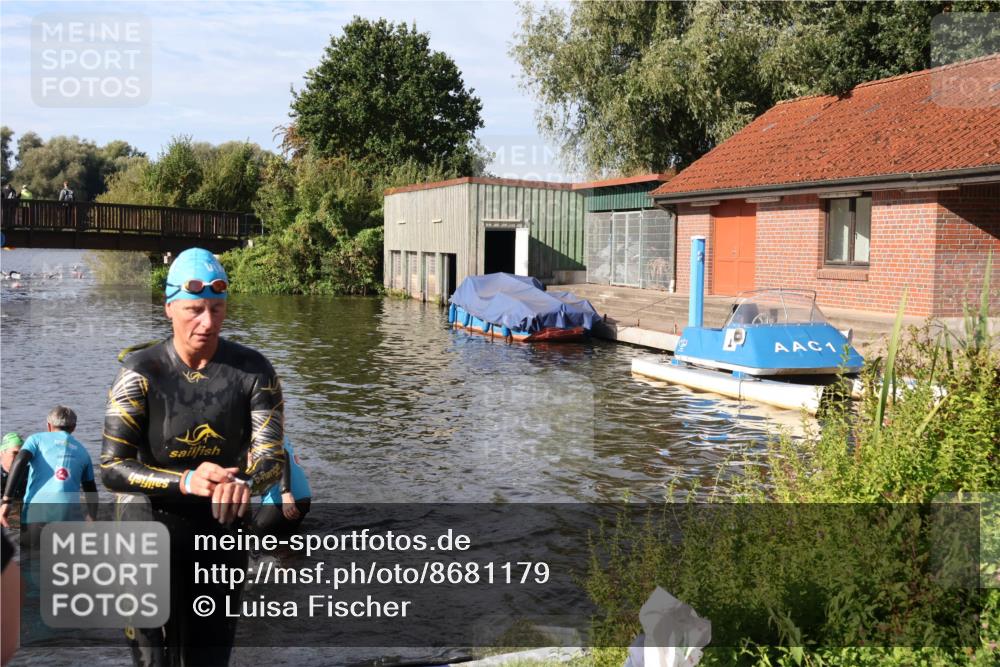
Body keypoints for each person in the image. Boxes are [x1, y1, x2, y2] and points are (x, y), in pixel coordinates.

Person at [101, 247, 285, 667]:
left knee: (210, 655)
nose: (207, 322)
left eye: (217, 310)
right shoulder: (139, 371)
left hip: (219, 523)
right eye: (195, 309)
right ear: (169, 308)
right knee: (152, 659)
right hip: (145, 520)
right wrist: (185, 481)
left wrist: (244, 484)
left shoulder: (254, 371)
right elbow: (111, 468)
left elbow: (272, 460)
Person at [0, 407, 98, 549]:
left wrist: (6, 501)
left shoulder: (36, 439)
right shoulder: (83, 451)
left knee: (30, 560)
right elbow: (91, 489)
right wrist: (92, 518)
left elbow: (20, 461)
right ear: (74, 428)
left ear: (48, 426)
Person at [252, 436, 311, 535]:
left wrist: (285, 493)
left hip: (283, 500)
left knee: (252, 538)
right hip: (302, 495)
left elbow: (280, 454)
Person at [0, 433, 26, 499]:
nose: (19, 458)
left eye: (21, 454)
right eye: (15, 453)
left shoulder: (30, 474)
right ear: (2, 453)